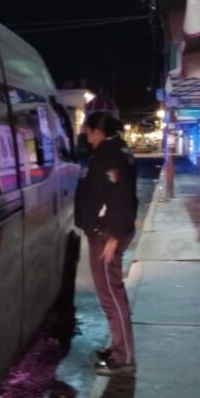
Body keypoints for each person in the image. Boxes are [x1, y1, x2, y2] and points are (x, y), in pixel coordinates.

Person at [74, 111, 138, 377]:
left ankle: (124, 359)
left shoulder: (109, 155)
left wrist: (113, 235)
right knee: (112, 294)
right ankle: (117, 349)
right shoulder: (113, 151)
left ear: (97, 131)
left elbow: (121, 197)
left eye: (86, 131)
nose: (85, 135)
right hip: (105, 232)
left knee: (111, 295)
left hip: (106, 235)